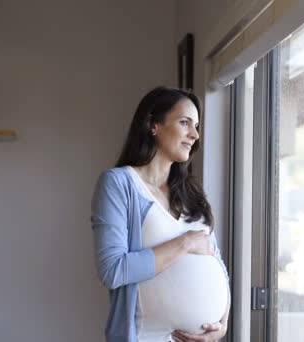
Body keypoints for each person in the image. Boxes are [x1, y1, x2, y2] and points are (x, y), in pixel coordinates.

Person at [91, 87, 230, 342]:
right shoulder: (120, 184)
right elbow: (113, 269)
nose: (195, 135)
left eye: (196, 125)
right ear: (153, 124)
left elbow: (216, 261)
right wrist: (185, 243)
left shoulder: (192, 193)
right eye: (185, 122)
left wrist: (222, 324)